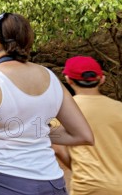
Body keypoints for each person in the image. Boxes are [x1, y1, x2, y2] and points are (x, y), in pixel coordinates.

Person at [0, 13, 94, 195]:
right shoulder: (50, 77)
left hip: (1, 181)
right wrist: (34, 132)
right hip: (52, 183)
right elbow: (83, 135)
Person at [52, 56, 122, 195]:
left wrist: (79, 168)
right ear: (102, 79)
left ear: (68, 79)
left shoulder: (64, 110)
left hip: (87, 186)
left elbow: (58, 148)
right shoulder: (119, 108)